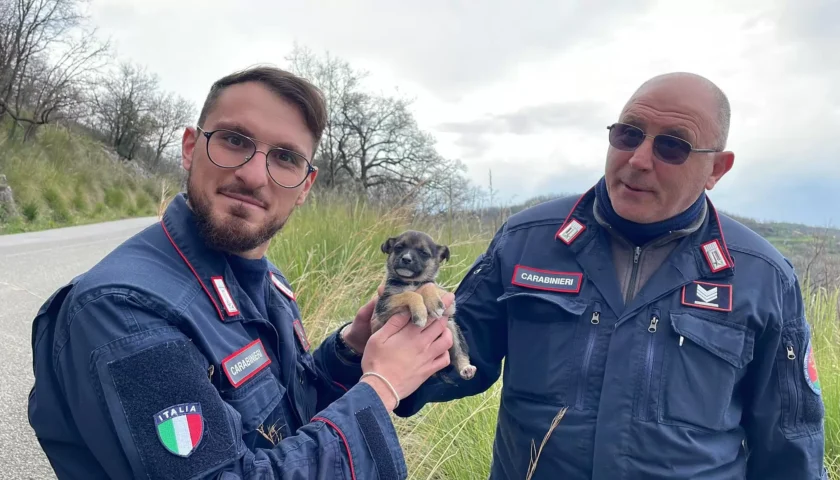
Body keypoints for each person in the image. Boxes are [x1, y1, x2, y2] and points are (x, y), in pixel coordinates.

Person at [345, 73, 830, 479]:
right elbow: (454, 353)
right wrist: (373, 352)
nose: (639, 158)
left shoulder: (762, 277)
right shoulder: (526, 241)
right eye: (628, 134)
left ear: (716, 170)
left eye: (672, 147)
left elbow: (789, 440)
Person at [27, 65, 455, 479]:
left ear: (305, 185)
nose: (253, 176)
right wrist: (381, 386)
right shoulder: (124, 311)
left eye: (285, 158)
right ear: (191, 147)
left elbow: (285, 419)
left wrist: (350, 353)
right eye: (234, 140)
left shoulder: (269, 283)